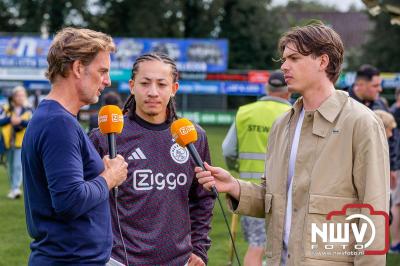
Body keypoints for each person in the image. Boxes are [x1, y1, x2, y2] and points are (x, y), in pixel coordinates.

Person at [195, 22, 389, 265]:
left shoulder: (361, 123)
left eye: (294, 58)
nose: (284, 66)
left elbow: (373, 216)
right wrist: (234, 186)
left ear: (323, 61)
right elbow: (274, 200)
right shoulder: (281, 125)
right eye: (284, 59)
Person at [90, 52, 215, 266]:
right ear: (132, 86)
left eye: (162, 84)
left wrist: (200, 249)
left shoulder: (194, 137)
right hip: (118, 259)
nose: (153, 92)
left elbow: (202, 199)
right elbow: (84, 197)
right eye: (145, 83)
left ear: (174, 89)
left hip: (179, 260)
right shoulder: (105, 136)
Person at [21, 27, 128, 265]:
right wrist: (109, 177)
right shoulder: (58, 122)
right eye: (102, 71)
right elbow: (69, 200)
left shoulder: (55, 118)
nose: (107, 81)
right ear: (79, 68)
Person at [222, 70, 291, 266]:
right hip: (285, 192)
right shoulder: (294, 114)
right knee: (285, 248)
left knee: (256, 244)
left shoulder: (245, 111)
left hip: (247, 191)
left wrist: (236, 167)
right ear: (289, 92)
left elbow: (227, 150)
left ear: (267, 88)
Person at [0, 86, 33, 199]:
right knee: (10, 166)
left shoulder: (29, 109)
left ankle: (15, 188)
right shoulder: (6, 108)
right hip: (8, 142)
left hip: (22, 142)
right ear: (13, 97)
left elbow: (32, 123)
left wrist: (21, 121)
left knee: (18, 166)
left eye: (22, 95)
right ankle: (13, 188)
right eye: (18, 95)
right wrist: (10, 120)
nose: (20, 97)